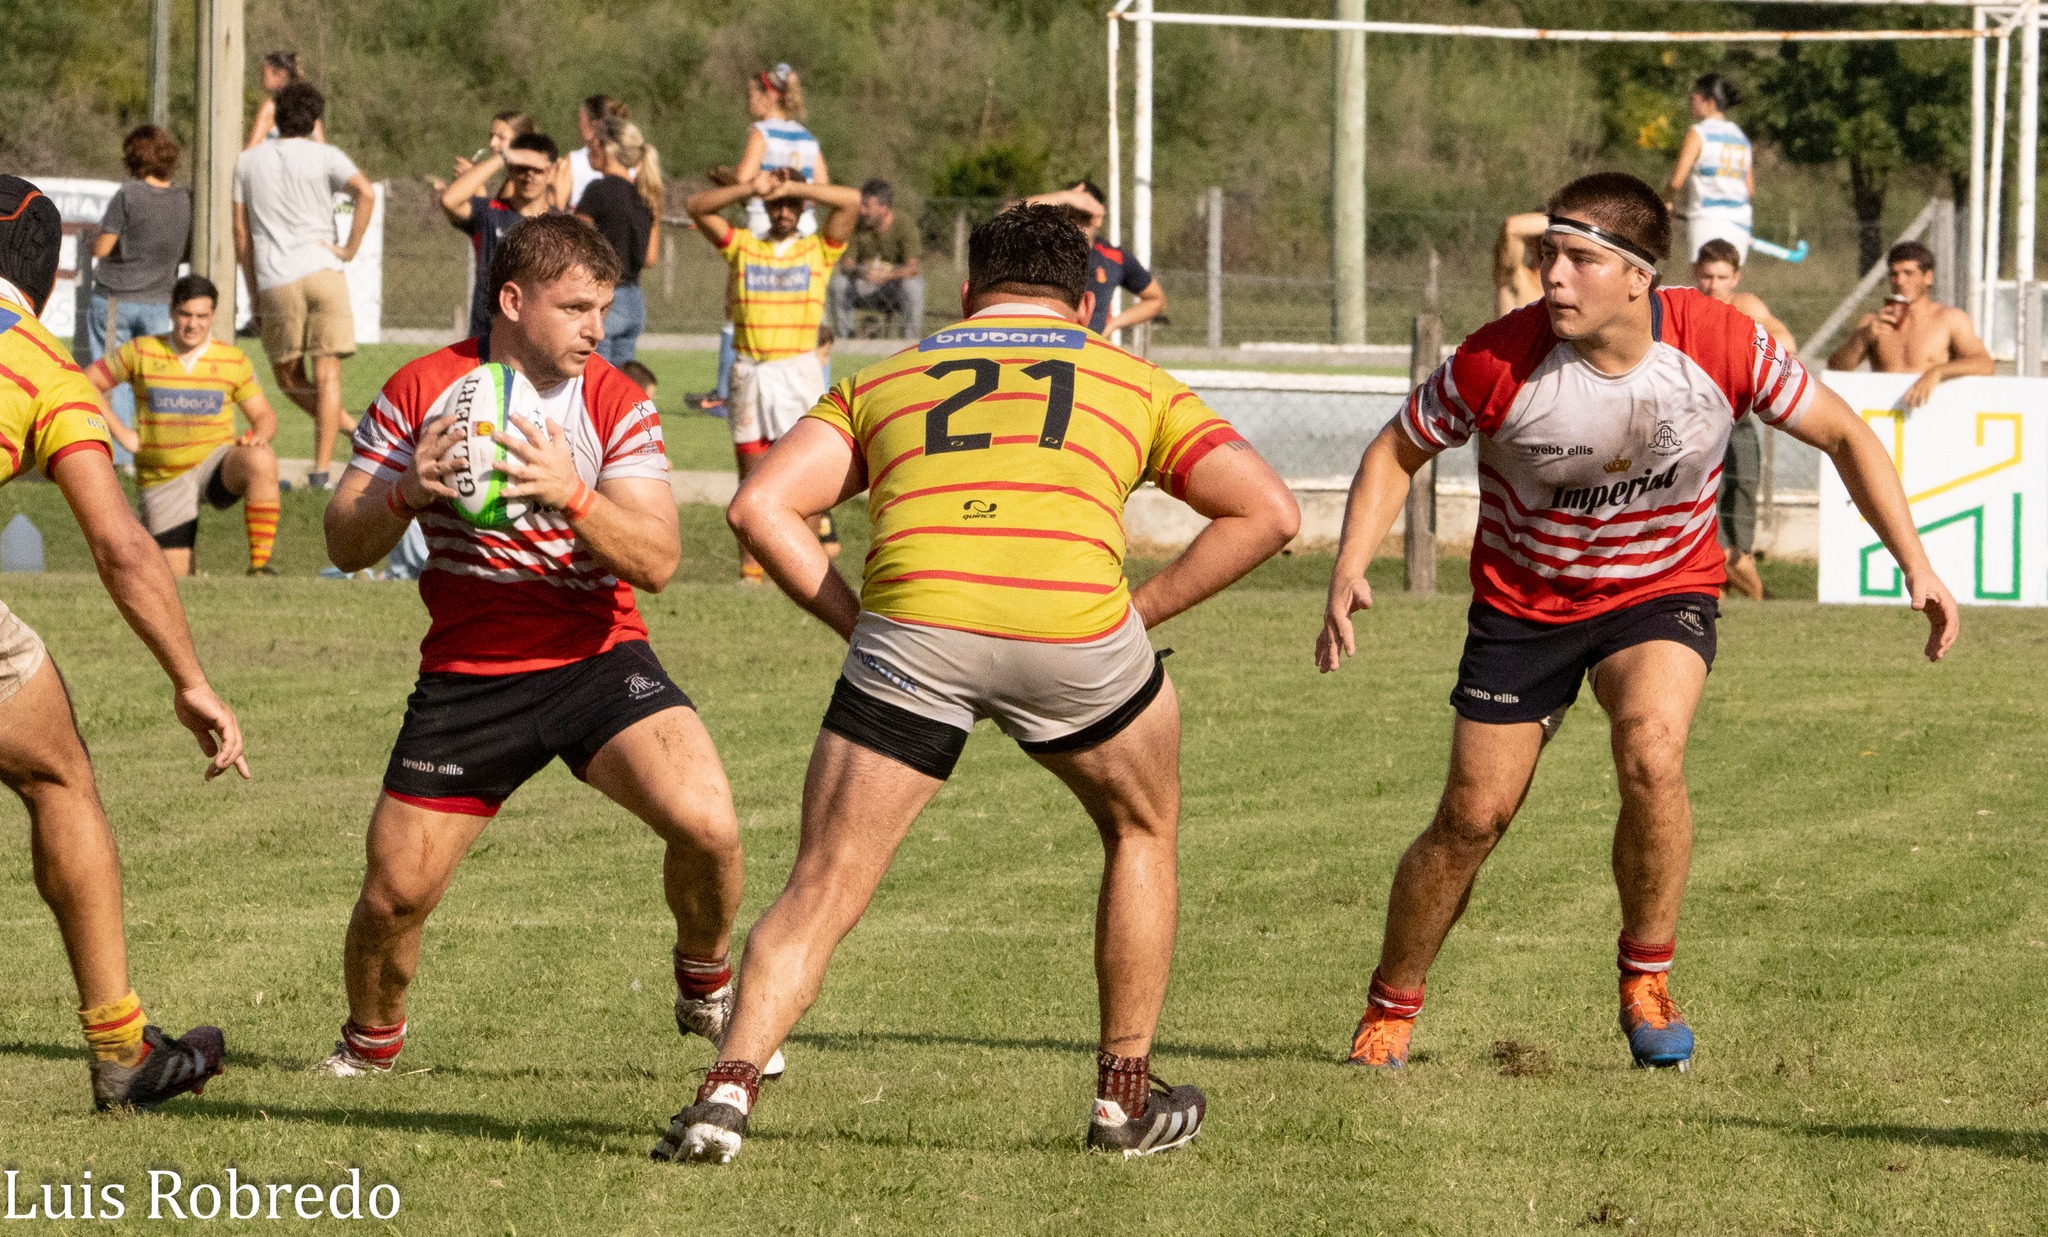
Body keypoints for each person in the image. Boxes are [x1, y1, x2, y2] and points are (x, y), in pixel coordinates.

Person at [651, 204, 1300, 1166]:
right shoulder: (1136, 379)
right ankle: (1122, 1101)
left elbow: (760, 505)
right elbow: (1270, 512)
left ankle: (725, 1093)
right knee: (1140, 829)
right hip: (1076, 636)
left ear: (964, 296)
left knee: (824, 879)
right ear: (1085, 302)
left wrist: (857, 618)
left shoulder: (885, 378)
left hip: (913, 632)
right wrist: (1138, 617)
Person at [1316, 172, 1958, 1076]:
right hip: (1525, 607)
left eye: (1578, 258)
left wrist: (1916, 560)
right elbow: (1396, 449)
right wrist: (1348, 564)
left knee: (1653, 749)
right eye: (1547, 255)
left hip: (1662, 590)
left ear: (1637, 276)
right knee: (1471, 817)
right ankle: (1393, 1000)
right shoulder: (1496, 361)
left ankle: (1646, 978)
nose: (1554, 277)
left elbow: (1848, 434)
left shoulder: (1721, 343)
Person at [316, 213, 777, 1081]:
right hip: (469, 675)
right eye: (576, 308)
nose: (597, 329)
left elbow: (662, 559)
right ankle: (370, 1043)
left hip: (597, 658)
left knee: (710, 824)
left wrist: (575, 495)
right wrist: (404, 492)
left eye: (603, 307)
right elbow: (343, 539)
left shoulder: (616, 400)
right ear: (513, 300)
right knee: (394, 896)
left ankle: (705, 981)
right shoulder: (421, 389)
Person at [0, 175, 248, 1110]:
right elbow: (121, 545)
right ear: (50, 284)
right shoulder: (41, 367)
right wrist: (191, 680)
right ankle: (121, 1050)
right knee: (58, 776)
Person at [684, 171, 860, 581]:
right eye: (776, 204)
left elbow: (850, 199)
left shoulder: (818, 249)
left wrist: (794, 187)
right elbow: (696, 207)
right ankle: (751, 573)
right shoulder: (743, 246)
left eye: (791, 205)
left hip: (797, 371)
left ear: (802, 208)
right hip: (750, 371)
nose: (783, 211)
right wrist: (751, 188)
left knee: (807, 478)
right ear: (765, 207)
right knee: (752, 477)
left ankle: (806, 572)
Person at [86, 275, 282, 576]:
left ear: (213, 316)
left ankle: (260, 567)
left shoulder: (233, 360)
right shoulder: (142, 351)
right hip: (164, 477)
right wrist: (123, 435)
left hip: (215, 464)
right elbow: (88, 382)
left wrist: (259, 436)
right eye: (185, 314)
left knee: (261, 459)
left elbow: (265, 417)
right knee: (174, 580)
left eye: (202, 316)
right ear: (171, 312)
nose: (193, 324)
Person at [234, 80, 373, 489]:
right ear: (315, 120)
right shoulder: (327, 155)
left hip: (276, 277)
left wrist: (252, 290)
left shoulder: (247, 162)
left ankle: (345, 439)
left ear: (274, 116)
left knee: (288, 378)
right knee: (327, 374)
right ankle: (323, 468)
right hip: (323, 270)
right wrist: (348, 249)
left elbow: (241, 234)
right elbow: (365, 193)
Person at [692, 66, 831, 418]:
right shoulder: (806, 137)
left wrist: (720, 174)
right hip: (804, 233)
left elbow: (743, 179)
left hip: (762, 230)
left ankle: (726, 393)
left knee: (737, 311)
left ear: (769, 95)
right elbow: (822, 188)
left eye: (752, 93)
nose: (748, 101)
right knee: (804, 320)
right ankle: (820, 398)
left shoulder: (761, 131)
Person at [1692, 239, 1796, 601]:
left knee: (1742, 500)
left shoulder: (1746, 307)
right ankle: (1755, 595)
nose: (1713, 285)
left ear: (1735, 278)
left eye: (1722, 277)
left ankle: (1740, 579)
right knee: (1704, 512)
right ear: (1695, 274)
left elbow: (1786, 341)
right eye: (1707, 276)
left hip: (1739, 423)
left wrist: (1742, 349)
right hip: (1695, 428)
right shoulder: (1687, 308)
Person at [89, 125, 192, 466]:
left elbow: (103, 248)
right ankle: (157, 449)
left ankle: (120, 456)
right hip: (161, 301)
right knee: (154, 377)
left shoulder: (128, 195)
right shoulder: (184, 198)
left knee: (112, 376)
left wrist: (94, 239)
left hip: (116, 298)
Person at [1827, 241, 1994, 408]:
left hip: (1934, 413)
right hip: (1885, 414)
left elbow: (1984, 364)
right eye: (1894, 274)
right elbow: (1835, 368)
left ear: (1928, 277)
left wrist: (1936, 373)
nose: (1900, 281)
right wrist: (1862, 338)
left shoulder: (1949, 319)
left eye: (1908, 273)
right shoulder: (1873, 322)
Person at [442, 132, 560, 339]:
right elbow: (450, 200)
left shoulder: (562, 224)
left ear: (551, 172)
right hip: (488, 336)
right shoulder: (490, 214)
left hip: (538, 338)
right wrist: (503, 157)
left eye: (537, 170)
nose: (529, 175)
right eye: (522, 167)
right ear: (511, 170)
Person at [1021, 182, 1166, 338]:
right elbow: (1007, 217)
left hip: (1091, 349)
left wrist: (1113, 325)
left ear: (1098, 218)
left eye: (1084, 216)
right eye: (1069, 215)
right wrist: (1064, 196)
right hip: (1047, 343)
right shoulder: (1041, 249)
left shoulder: (1114, 257)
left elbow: (1156, 299)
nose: (1076, 224)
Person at [576, 118, 663, 366]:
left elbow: (574, 244)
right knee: (621, 386)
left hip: (604, 300)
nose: (588, 150)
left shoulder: (598, 191)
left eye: (592, 143)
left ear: (606, 148)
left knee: (594, 380)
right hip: (634, 300)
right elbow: (650, 259)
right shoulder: (647, 194)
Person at [1665, 73, 1753, 262]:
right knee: (1725, 284)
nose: (1691, 101)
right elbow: (1749, 190)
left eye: (1694, 96)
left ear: (1710, 101)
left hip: (1707, 220)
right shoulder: (1741, 137)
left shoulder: (1699, 133)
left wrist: (1665, 201)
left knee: (1706, 284)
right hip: (1740, 221)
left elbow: (1676, 181)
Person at [826, 179, 924, 339]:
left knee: (914, 286)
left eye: (867, 206)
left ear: (883, 208)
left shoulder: (904, 224)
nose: (862, 211)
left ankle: (909, 344)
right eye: (861, 205)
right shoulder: (856, 224)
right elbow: (846, 266)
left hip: (893, 287)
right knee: (838, 284)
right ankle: (847, 341)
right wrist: (861, 271)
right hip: (863, 284)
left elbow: (913, 268)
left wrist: (886, 275)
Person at [553, 95, 628, 212]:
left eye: (580, 120)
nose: (578, 126)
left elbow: (558, 202)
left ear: (593, 125)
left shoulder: (574, 160)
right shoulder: (632, 159)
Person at [244, 51, 325, 150]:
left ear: (280, 74)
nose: (261, 77)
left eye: (263, 73)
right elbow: (322, 151)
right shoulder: (308, 109)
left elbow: (251, 149)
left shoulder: (272, 108)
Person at [1493, 212, 1545, 318]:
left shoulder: (1566, 287)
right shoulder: (1513, 278)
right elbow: (1512, 228)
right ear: (1530, 241)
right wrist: (1562, 220)